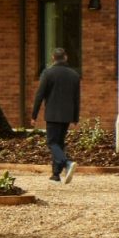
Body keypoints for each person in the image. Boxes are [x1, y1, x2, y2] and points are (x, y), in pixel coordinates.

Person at [31, 46, 81, 184]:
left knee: (52, 142)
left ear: (53, 58)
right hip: (67, 115)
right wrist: (75, 116)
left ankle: (67, 163)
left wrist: (34, 115)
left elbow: (39, 95)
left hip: (52, 114)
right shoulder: (74, 75)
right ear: (65, 57)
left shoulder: (48, 73)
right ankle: (55, 174)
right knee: (59, 143)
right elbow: (76, 98)